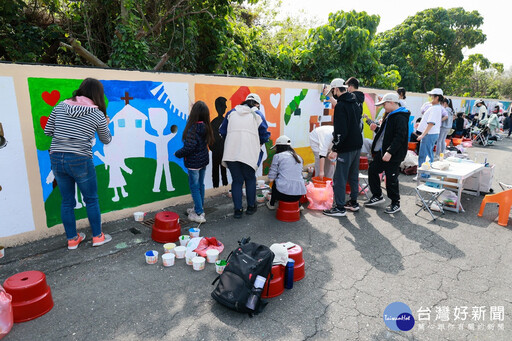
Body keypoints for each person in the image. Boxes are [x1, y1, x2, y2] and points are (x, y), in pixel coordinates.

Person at [44, 78, 112, 250]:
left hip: (57, 157)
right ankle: (97, 237)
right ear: (98, 94)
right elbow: (106, 139)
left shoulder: (60, 106)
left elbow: (48, 131)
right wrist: (106, 124)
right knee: (91, 199)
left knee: (67, 201)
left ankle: (72, 239)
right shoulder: (97, 114)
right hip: (80, 158)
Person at [220, 93, 270, 219]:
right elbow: (264, 135)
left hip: (231, 153)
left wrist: (233, 140)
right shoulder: (257, 115)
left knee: (237, 180)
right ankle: (251, 207)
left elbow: (222, 131)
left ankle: (238, 210)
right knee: (250, 179)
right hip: (248, 153)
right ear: (257, 104)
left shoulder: (231, 113)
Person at [322, 78, 363, 217]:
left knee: (339, 177)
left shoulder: (341, 106)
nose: (333, 93)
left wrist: (335, 149)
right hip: (357, 144)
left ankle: (339, 207)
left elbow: (340, 131)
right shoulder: (355, 101)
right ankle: (353, 202)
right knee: (353, 175)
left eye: (333, 90)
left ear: (336, 89)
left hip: (346, 146)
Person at [364, 93, 410, 214]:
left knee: (391, 179)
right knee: (373, 170)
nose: (383, 106)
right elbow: (387, 135)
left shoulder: (400, 116)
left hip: (393, 154)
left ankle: (395, 203)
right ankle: (377, 195)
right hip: (383, 152)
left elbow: (400, 136)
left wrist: (390, 152)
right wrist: (377, 129)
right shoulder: (391, 115)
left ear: (391, 102)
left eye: (384, 104)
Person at [175, 101, 215, 223]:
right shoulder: (205, 126)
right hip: (203, 161)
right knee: (200, 185)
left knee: (194, 187)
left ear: (194, 114)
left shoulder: (192, 128)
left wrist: (178, 153)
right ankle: (199, 208)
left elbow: (189, 147)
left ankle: (198, 213)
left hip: (194, 164)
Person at [266, 135, 307, 210]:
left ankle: (271, 204)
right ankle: (299, 204)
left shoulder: (277, 156)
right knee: (294, 179)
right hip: (298, 195)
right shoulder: (298, 157)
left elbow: (271, 179)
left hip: (283, 195)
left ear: (279, 147)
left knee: (276, 182)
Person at [416, 88, 443, 174]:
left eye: (432, 96)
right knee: (428, 154)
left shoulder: (435, 108)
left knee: (424, 156)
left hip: (429, 134)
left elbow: (431, 123)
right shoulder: (436, 107)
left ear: (437, 97)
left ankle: (424, 174)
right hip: (431, 134)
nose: (430, 98)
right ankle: (426, 173)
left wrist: (422, 135)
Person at [210, 97, 229, 188]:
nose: (226, 107)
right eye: (224, 105)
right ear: (219, 107)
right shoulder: (215, 123)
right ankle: (216, 187)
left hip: (222, 151)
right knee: (216, 171)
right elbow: (210, 138)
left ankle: (222, 186)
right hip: (218, 151)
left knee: (222, 171)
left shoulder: (226, 121)